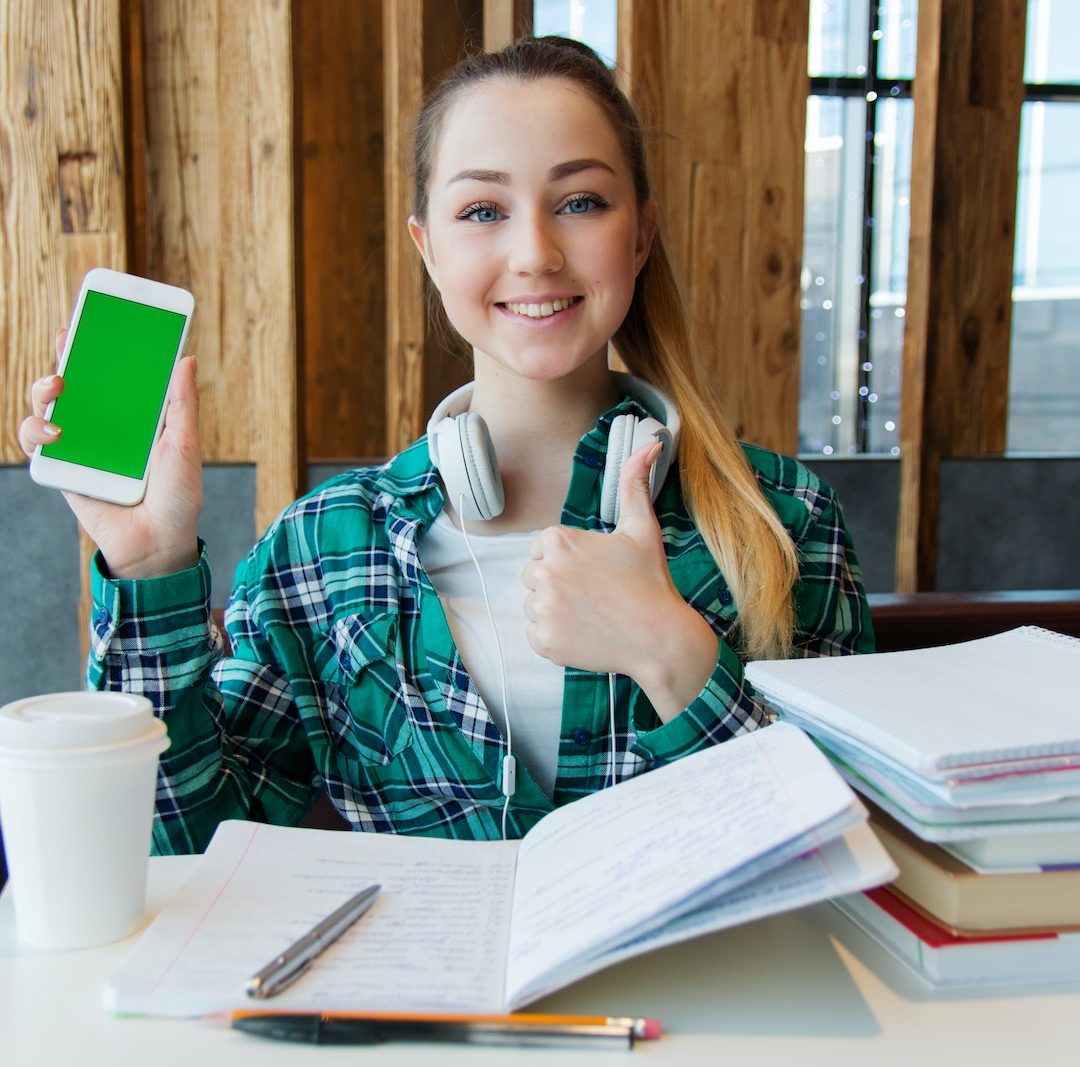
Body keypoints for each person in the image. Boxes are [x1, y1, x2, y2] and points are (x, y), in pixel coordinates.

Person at [19, 36, 872, 853]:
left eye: (580, 202)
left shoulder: (786, 520)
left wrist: (670, 650)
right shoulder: (326, 548)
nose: (535, 252)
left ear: (640, 234)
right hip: (422, 1005)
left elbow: (852, 863)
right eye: (482, 210)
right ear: (427, 247)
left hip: (704, 1005)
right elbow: (177, 847)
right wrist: (150, 563)